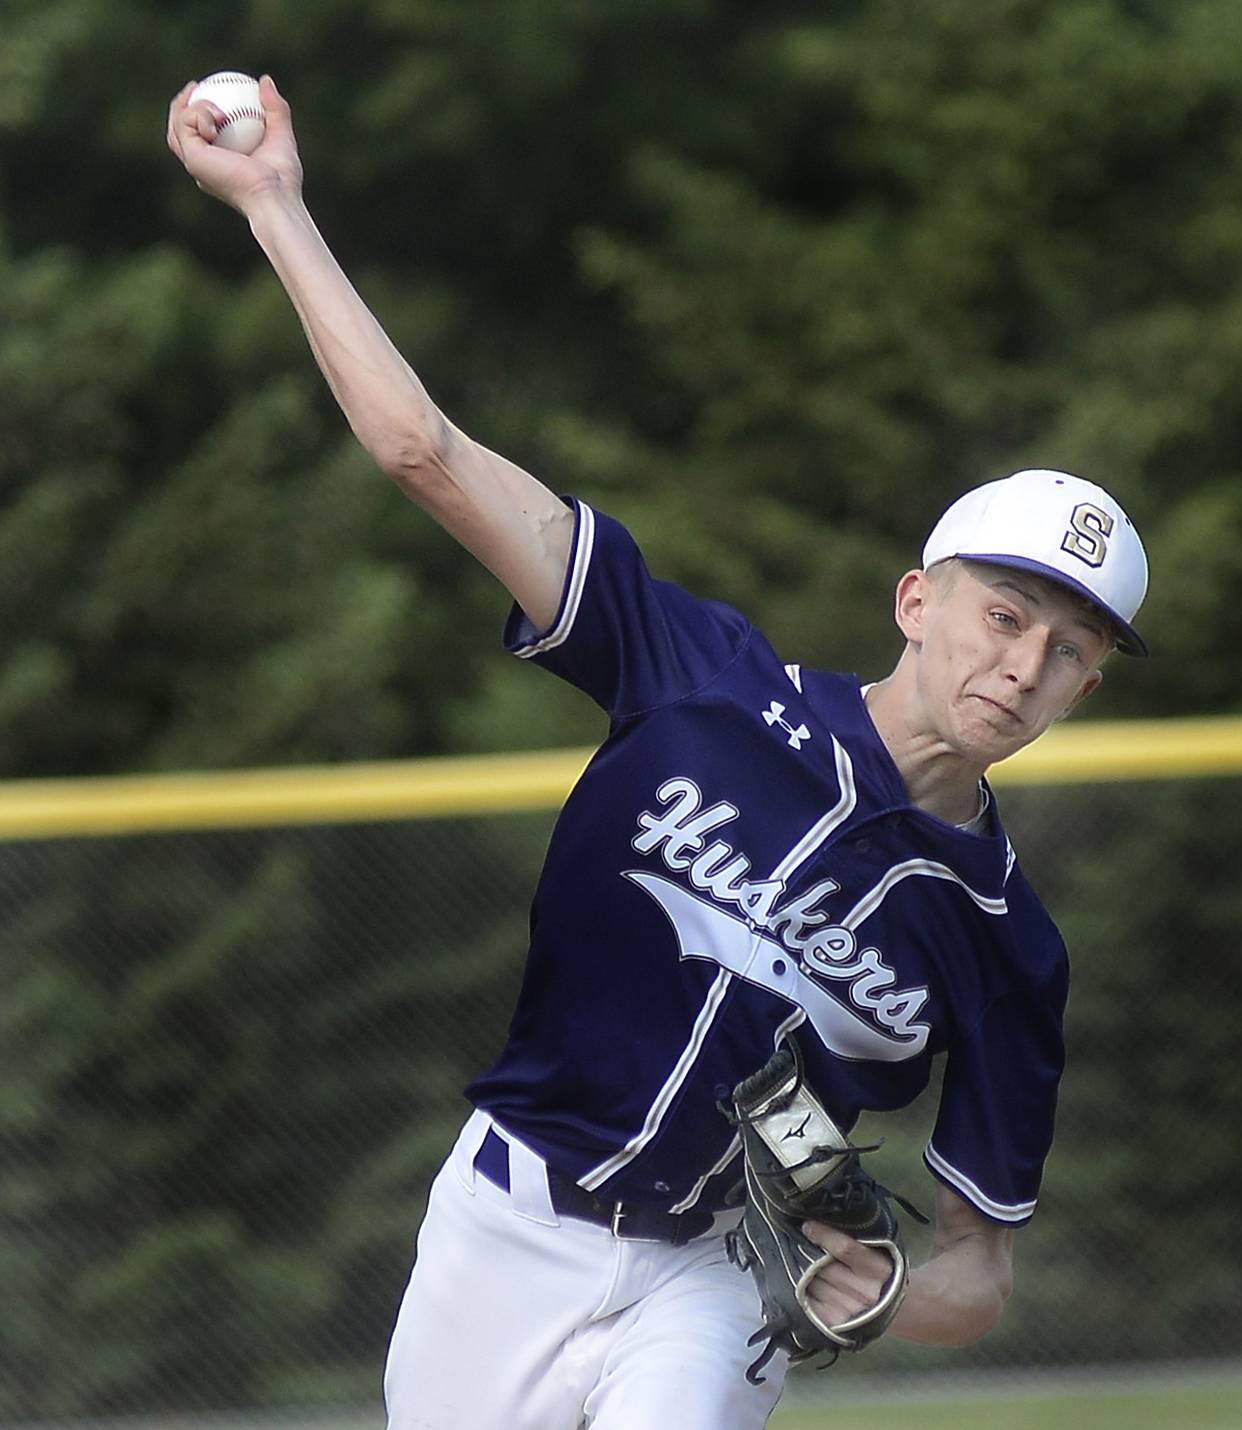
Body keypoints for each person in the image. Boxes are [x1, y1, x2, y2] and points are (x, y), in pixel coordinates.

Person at [167, 77, 1149, 1430]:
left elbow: (981, 1274)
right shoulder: (692, 673)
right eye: (1006, 612)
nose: (1023, 663)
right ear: (918, 599)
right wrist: (274, 203)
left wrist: (878, 1285)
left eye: (1069, 650)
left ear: (1087, 685)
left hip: (713, 1284)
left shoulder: (1005, 943)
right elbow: (422, 452)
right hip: (503, 1228)